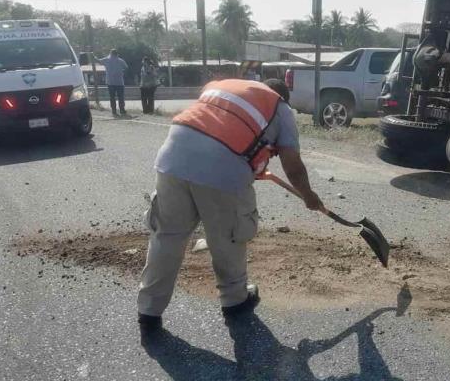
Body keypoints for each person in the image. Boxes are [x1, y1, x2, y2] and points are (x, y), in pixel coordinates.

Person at [137, 78, 323, 330]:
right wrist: (309, 195)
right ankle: (235, 300)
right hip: (222, 171)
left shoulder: (221, 85)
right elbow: (293, 165)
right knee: (228, 236)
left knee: (167, 236)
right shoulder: (280, 108)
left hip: (172, 158)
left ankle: (149, 310)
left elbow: (218, 128)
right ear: (282, 96)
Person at [95, 49, 128, 116]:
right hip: (119, 82)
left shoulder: (107, 60)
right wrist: (122, 72)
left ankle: (114, 111)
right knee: (121, 97)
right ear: (117, 54)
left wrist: (93, 56)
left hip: (110, 82)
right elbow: (126, 67)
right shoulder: (120, 60)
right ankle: (122, 110)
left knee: (112, 97)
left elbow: (98, 60)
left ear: (111, 53)